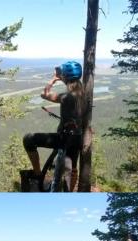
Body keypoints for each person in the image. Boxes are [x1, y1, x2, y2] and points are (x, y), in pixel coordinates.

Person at [23, 61, 84, 191]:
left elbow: (44, 94)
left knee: (28, 139)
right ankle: (70, 193)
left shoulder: (66, 97)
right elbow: (71, 84)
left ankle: (38, 173)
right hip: (78, 139)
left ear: (65, 77)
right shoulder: (83, 94)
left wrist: (53, 79)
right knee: (73, 169)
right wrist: (62, 77)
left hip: (63, 139)